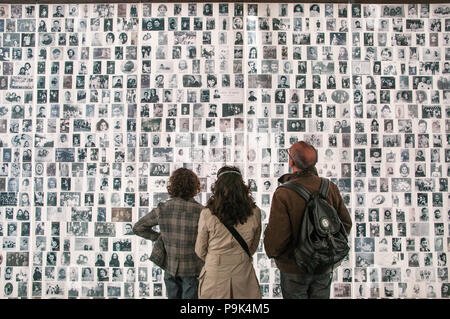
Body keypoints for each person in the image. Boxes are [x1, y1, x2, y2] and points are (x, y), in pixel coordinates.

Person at [264, 141, 352, 299]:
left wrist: (273, 253)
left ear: (291, 162)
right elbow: (345, 224)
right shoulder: (330, 187)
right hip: (323, 267)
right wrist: (325, 249)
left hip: (293, 269)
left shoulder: (284, 193)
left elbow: (278, 237)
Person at [133, 168, 204, 299]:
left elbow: (138, 228)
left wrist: (159, 237)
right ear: (195, 186)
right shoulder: (201, 211)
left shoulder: (163, 208)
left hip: (170, 267)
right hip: (192, 268)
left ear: (173, 185)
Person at [195, 166, 262, 299]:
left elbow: (200, 250)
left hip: (215, 271)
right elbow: (253, 245)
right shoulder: (255, 212)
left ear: (217, 187)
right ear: (242, 187)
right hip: (243, 270)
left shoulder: (207, 213)